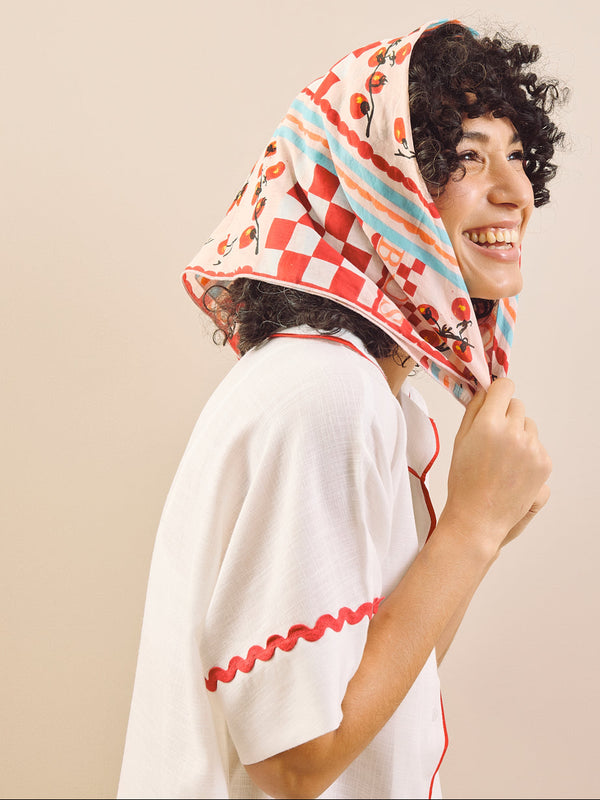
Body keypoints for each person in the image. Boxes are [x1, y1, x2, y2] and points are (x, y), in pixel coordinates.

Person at [118, 19, 565, 799]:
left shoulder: (380, 400)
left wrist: (476, 533)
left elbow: (376, 688)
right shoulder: (324, 394)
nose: (517, 193)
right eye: (466, 158)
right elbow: (294, 760)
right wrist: (471, 528)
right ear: (377, 186)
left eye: (518, 159)